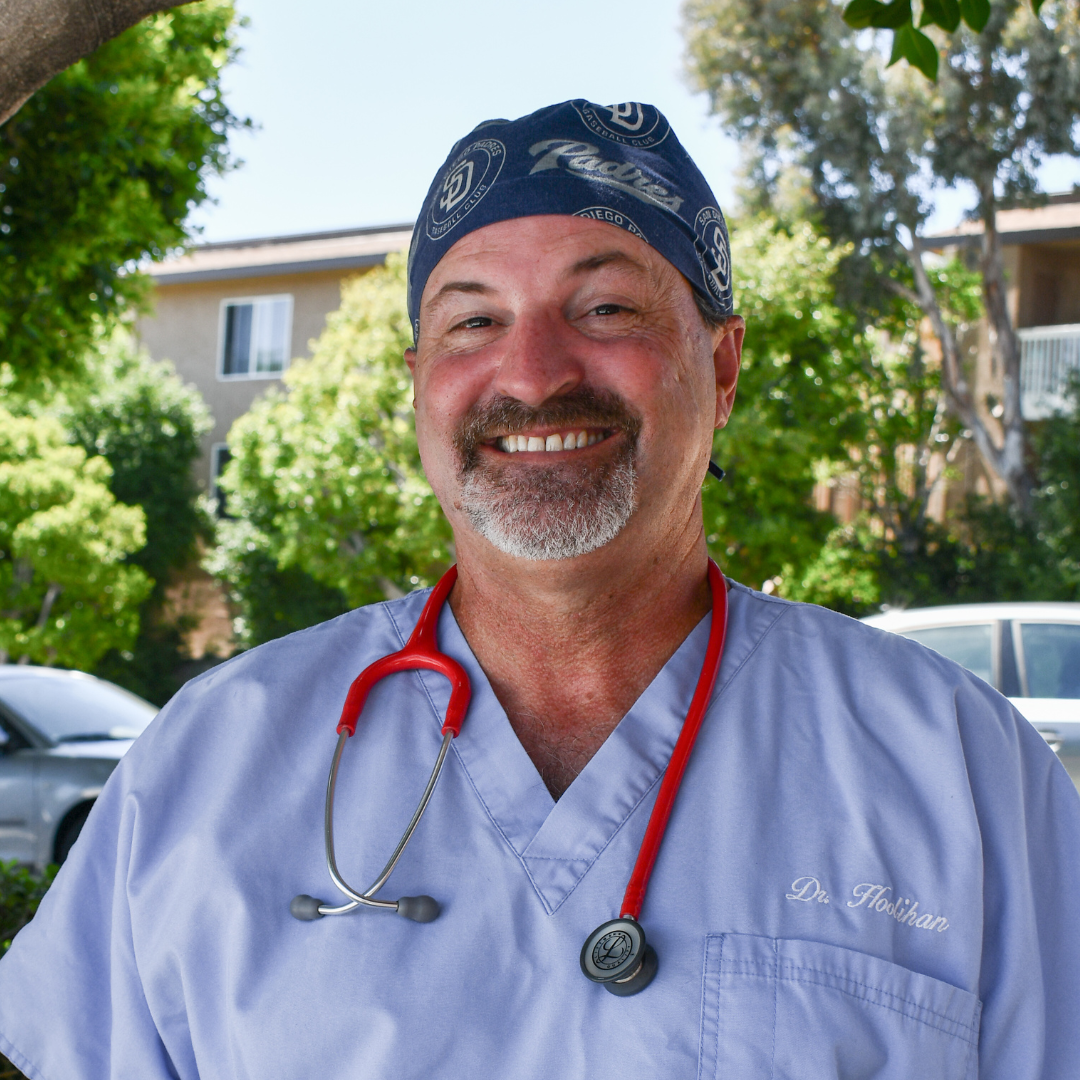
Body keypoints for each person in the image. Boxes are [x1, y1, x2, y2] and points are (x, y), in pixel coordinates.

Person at [1, 99, 1078, 1079]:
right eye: (473, 320)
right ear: (420, 378)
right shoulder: (206, 766)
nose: (531, 373)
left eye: (606, 307)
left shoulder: (958, 769)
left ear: (724, 363)